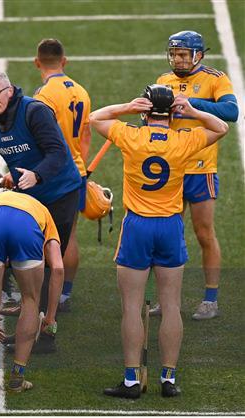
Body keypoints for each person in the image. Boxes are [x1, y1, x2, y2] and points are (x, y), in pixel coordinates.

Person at [90, 85, 228, 398]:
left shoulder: (131, 136)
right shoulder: (185, 139)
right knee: (171, 306)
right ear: (172, 112)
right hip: (169, 226)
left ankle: (130, 381)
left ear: (145, 111)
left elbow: (95, 118)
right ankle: (168, 379)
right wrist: (191, 111)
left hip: (137, 226)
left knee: (132, 307)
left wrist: (127, 105)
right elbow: (220, 127)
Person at [0, 70, 82, 353]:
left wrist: (37, 175)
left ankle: (46, 332)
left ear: (9, 90)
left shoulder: (35, 112)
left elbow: (58, 153)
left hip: (59, 193)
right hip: (29, 195)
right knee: (29, 260)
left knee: (50, 264)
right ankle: (33, 314)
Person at [151, 31, 238, 320]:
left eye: (183, 54)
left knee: (204, 234)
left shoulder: (215, 78)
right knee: (168, 236)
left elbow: (231, 111)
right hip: (171, 170)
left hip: (201, 169)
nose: (177, 59)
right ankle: (166, 300)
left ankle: (210, 299)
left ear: (198, 55)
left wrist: (191, 105)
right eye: (174, 54)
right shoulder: (164, 81)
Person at [0, 177, 64, 392]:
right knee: (31, 301)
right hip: (27, 225)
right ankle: (17, 378)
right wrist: (50, 318)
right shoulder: (42, 210)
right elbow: (57, 268)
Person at [33, 38, 91, 312]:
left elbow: (39, 140)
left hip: (54, 175)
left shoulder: (43, 96)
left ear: (37, 62)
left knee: (48, 237)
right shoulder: (81, 91)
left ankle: (46, 294)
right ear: (64, 61)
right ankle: (65, 293)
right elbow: (86, 136)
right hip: (77, 172)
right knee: (71, 236)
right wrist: (84, 168)